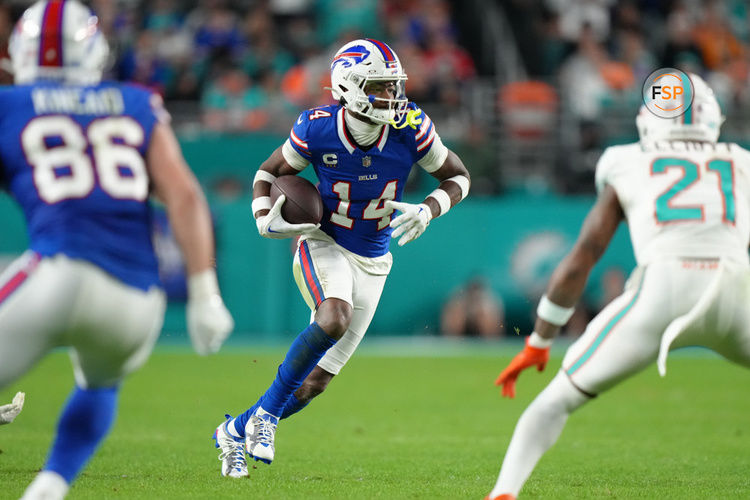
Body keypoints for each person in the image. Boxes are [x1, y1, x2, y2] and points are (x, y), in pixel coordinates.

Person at [0, 2, 234, 498]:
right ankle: (51, 482)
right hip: (135, 302)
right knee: (99, 383)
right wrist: (204, 292)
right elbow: (185, 196)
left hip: (57, 274)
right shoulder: (135, 101)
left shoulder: (10, 105)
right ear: (95, 51)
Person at [213, 38, 471, 478]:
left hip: (375, 257)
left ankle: (235, 430)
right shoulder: (317, 127)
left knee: (315, 383)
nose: (392, 96)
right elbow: (268, 173)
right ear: (349, 88)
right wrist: (262, 216)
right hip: (324, 240)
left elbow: (459, 177)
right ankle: (265, 419)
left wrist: (430, 209)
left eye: (393, 86)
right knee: (333, 317)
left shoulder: (411, 126)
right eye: (380, 87)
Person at [485, 73, 750, 499]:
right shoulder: (741, 161)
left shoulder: (627, 161)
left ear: (650, 119)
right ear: (713, 115)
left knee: (551, 406)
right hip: (737, 291)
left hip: (662, 290)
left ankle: (503, 494)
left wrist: (539, 340)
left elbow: (582, 259)